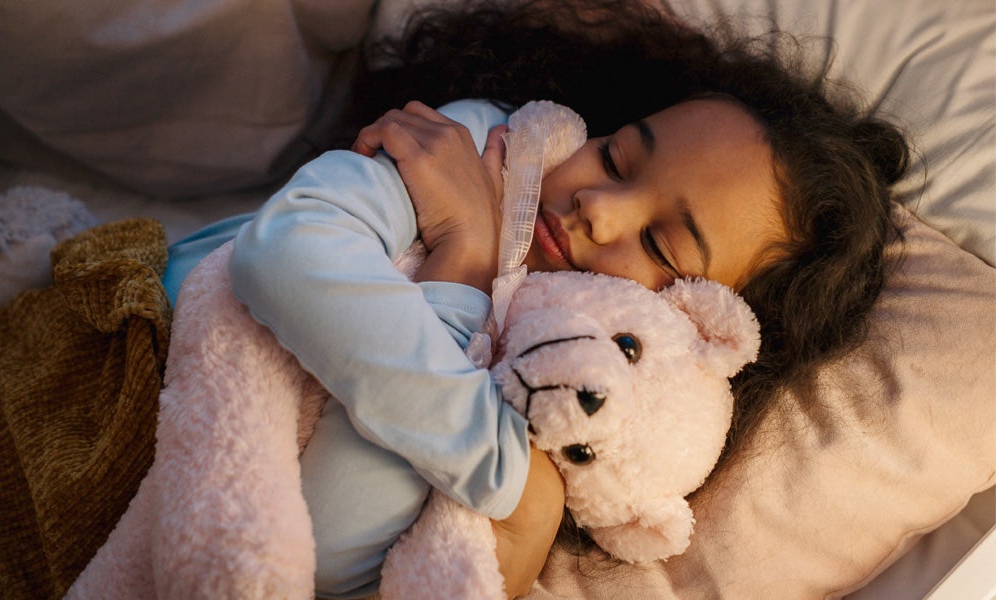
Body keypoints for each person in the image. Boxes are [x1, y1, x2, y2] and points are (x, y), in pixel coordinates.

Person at [160, 0, 910, 597]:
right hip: (130, 338)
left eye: (659, 248)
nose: (600, 207)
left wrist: (461, 269)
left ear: (696, 330)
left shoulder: (568, 404)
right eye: (616, 155)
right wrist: (470, 257)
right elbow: (283, 254)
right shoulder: (493, 154)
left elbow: (326, 547)